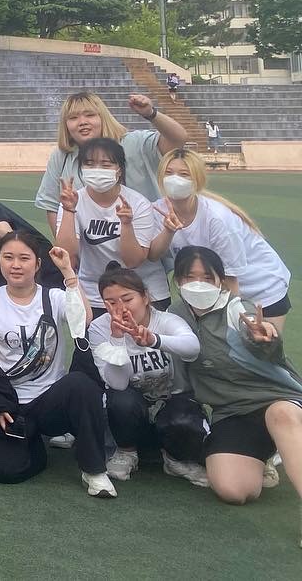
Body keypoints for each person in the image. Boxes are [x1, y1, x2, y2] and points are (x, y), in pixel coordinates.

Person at [0, 234, 115, 497]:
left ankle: (94, 470)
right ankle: (32, 444)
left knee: (81, 385)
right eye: (8, 257)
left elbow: (84, 319)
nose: (16, 265)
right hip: (10, 404)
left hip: (49, 400)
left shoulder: (53, 297)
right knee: (4, 471)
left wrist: (68, 272)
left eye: (24, 258)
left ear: (37, 264)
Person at [171, 246, 302, 519]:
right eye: (190, 277)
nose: (198, 283)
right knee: (233, 490)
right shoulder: (176, 315)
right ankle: (269, 451)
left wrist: (264, 336)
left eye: (207, 277)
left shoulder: (237, 309)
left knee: (281, 415)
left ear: (221, 280)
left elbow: (260, 335)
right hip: (232, 412)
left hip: (278, 399)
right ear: (178, 281)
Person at [86, 265, 207, 486]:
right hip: (132, 411)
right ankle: (127, 451)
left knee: (184, 420)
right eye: (111, 302)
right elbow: (117, 383)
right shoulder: (99, 329)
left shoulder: (166, 320)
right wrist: (117, 339)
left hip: (172, 402)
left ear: (145, 297)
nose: (121, 308)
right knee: (121, 400)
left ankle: (175, 459)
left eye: (127, 299)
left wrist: (154, 340)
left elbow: (192, 348)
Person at [149, 148, 290, 328]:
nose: (175, 179)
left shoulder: (217, 218)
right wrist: (168, 231)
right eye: (169, 173)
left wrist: (231, 321)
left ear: (197, 180)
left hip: (261, 290)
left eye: (184, 174)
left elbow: (231, 280)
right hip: (210, 291)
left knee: (258, 343)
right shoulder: (158, 210)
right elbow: (153, 255)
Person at [35, 91, 187, 232]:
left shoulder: (135, 143)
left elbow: (178, 139)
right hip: (88, 248)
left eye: (90, 115)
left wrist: (151, 114)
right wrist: (66, 247)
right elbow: (52, 205)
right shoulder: (61, 157)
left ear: (103, 117)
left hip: (147, 242)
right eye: (73, 118)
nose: (82, 122)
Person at [52, 137, 170, 314]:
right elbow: (66, 255)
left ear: (119, 170)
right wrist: (69, 210)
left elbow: (133, 261)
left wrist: (126, 224)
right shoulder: (72, 201)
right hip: (94, 294)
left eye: (105, 164)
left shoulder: (138, 204)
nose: (97, 170)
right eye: (89, 164)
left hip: (142, 290)